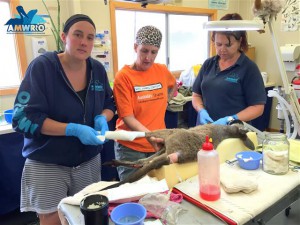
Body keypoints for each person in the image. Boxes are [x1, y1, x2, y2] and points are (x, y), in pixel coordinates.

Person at [12, 14, 115, 225]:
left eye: (90, 37)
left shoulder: (97, 70)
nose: (84, 42)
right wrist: (72, 129)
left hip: (87, 161)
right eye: (77, 35)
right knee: (53, 219)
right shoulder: (42, 68)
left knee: (87, 215)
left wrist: (103, 117)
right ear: (64, 37)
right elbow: (21, 118)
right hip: (48, 162)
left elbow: (110, 103)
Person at [113, 25, 177, 181]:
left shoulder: (161, 70)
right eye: (144, 51)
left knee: (158, 190)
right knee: (132, 192)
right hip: (131, 148)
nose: (148, 57)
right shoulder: (124, 77)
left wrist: (167, 99)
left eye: (153, 52)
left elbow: (174, 84)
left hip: (157, 145)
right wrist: (149, 135)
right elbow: (128, 117)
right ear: (136, 47)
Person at [192, 13, 266, 126]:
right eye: (218, 44)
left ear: (240, 41)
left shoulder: (248, 68)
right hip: (205, 130)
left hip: (233, 132)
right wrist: (201, 110)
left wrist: (232, 119)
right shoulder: (208, 64)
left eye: (228, 45)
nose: (222, 49)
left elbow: (258, 107)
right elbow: (196, 95)